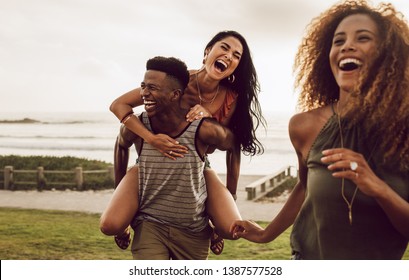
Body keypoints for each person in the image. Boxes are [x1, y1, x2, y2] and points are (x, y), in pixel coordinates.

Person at [231, 0, 409, 260]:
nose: (347, 46)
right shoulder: (305, 126)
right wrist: (264, 234)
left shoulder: (403, 131)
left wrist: (376, 186)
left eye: (363, 38)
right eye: (338, 41)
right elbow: (304, 188)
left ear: (387, 54)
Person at [101, 30, 266, 254]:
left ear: (237, 65)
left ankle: (211, 221)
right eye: (224, 48)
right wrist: (151, 139)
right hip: (151, 157)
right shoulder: (178, 81)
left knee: (228, 224)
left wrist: (231, 195)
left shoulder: (230, 97)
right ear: (208, 52)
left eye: (237, 55)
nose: (229, 56)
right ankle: (127, 220)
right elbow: (119, 105)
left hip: (197, 162)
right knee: (111, 223)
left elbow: (230, 145)